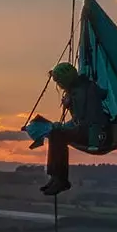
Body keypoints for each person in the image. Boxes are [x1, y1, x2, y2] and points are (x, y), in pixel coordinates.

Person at [32, 62, 110, 196]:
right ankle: (55, 177)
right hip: (86, 128)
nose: (59, 85)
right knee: (55, 133)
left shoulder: (84, 92)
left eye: (59, 81)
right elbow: (78, 120)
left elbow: (88, 120)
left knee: (57, 135)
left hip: (93, 133)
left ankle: (60, 179)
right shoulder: (79, 89)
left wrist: (62, 127)